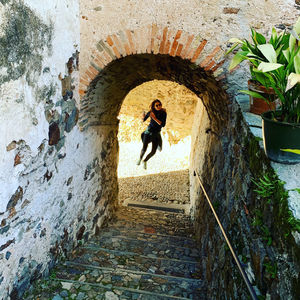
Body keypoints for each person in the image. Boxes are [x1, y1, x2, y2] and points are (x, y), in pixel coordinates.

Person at [137, 99, 167, 169]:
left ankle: (145, 161)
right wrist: (143, 117)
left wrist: (154, 118)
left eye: (160, 105)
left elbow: (163, 124)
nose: (159, 106)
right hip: (148, 132)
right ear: (154, 106)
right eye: (157, 105)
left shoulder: (163, 113)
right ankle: (140, 159)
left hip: (156, 133)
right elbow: (143, 120)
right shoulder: (151, 112)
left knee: (153, 151)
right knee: (144, 148)